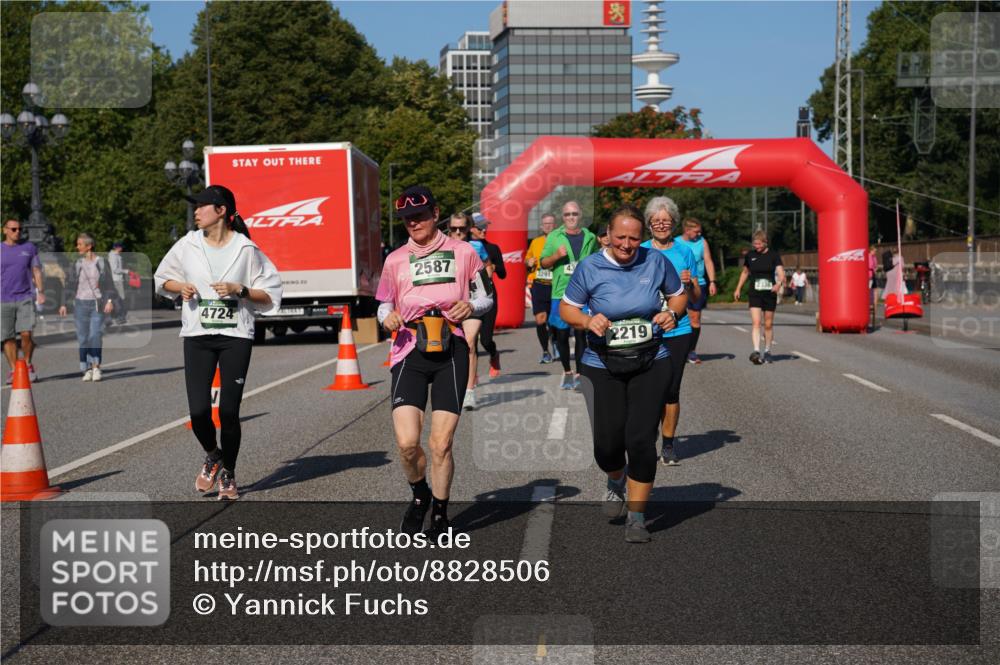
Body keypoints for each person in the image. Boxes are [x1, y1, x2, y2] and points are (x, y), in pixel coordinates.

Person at [560, 204, 687, 543]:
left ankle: (637, 516)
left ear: (642, 237)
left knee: (640, 439)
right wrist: (587, 320)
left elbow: (678, 296)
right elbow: (567, 307)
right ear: (608, 235)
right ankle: (616, 478)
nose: (627, 245)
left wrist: (671, 315)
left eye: (634, 238)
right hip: (601, 364)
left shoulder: (655, 261)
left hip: (652, 360)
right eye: (620, 237)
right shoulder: (591, 267)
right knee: (607, 445)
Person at [378, 186, 492, 540]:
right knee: (407, 443)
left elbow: (486, 296)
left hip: (450, 350)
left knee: (440, 443)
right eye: (407, 219)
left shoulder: (464, 252)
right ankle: (420, 494)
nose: (414, 223)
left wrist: (471, 307)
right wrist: (388, 317)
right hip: (409, 349)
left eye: (421, 215)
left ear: (435, 213)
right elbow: (383, 303)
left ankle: (440, 514)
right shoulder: (395, 259)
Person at [155, 185, 283, 500]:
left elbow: (270, 294)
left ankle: (229, 472)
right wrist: (180, 286)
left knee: (228, 411)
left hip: (235, 336)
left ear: (221, 210)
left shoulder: (246, 249)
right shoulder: (188, 244)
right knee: (199, 412)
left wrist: (241, 290)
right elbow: (162, 279)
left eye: (201, 206)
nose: (195, 212)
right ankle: (213, 454)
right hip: (198, 336)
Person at [640, 197, 700, 466]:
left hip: (679, 328)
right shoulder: (639, 250)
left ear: (673, 223)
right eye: (656, 220)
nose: (661, 224)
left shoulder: (684, 251)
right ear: (649, 224)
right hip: (646, 329)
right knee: (646, 388)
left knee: (671, 390)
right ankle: (646, 434)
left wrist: (689, 284)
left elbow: (696, 297)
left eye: (666, 220)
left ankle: (668, 444)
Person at [540, 200, 598, 390]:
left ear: (580, 215)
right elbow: (543, 263)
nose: (571, 217)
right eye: (567, 214)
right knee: (562, 335)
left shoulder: (590, 237)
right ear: (562, 217)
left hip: (584, 293)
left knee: (582, 335)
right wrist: (556, 256)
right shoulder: (554, 237)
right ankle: (567, 371)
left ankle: (580, 374)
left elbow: (597, 261)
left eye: (574, 214)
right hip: (560, 293)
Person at [58, 233, 116, 381]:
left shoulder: (102, 263)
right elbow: (70, 285)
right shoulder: (77, 264)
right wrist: (64, 303)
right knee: (83, 338)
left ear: (89, 246)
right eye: (77, 244)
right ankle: (88, 368)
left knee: (95, 335)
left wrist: (109, 300)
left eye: (80, 244)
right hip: (80, 304)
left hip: (97, 303)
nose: (77, 247)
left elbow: (109, 283)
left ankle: (96, 367)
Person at [445, 213, 486, 410]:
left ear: (468, 228)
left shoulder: (476, 247)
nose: (458, 232)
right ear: (448, 228)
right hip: (448, 305)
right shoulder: (440, 248)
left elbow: (487, 270)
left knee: (469, 342)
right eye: (454, 229)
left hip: (471, 302)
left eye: (462, 228)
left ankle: (469, 392)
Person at [1, 219, 45, 383]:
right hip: (3, 299)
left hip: (25, 297)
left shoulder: (29, 248)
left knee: (26, 333)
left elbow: (36, 270)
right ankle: (13, 370)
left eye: (19, 229)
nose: (17, 232)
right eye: (13, 229)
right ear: (5, 230)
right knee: (8, 337)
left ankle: (27, 364)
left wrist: (40, 292)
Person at [734, 230, 785, 365]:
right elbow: (745, 272)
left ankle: (767, 351)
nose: (756, 246)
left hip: (770, 293)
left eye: (758, 244)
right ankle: (756, 351)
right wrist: (738, 288)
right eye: (754, 244)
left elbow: (781, 272)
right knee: (756, 323)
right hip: (755, 292)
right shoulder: (750, 255)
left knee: (768, 324)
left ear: (765, 242)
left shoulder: (774, 255)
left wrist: (779, 283)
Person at [673, 218, 717, 364]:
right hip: (677, 284)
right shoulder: (675, 242)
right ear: (687, 230)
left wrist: (712, 281)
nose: (699, 234)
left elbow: (708, 261)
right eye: (696, 231)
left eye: (700, 231)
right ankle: (676, 349)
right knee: (676, 316)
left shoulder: (702, 242)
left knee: (695, 319)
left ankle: (691, 350)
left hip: (699, 284)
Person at [469, 213, 505, 387]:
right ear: (470, 228)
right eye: (479, 227)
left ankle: (494, 354)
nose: (484, 230)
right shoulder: (464, 248)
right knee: (471, 340)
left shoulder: (493, 248)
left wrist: (491, 266)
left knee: (485, 340)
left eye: (485, 226)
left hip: (489, 297)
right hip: (470, 297)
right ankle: (472, 376)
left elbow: (504, 274)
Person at [524, 212, 557, 363]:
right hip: (539, 285)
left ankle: (556, 342)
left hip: (556, 284)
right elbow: (527, 260)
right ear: (541, 226)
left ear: (555, 225)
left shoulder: (561, 240)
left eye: (551, 223)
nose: (548, 226)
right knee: (540, 320)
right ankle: (545, 351)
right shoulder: (536, 242)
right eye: (546, 224)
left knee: (554, 320)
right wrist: (528, 262)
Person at [107, 241, 129, 324]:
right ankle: (120, 316)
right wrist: (126, 271)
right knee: (120, 299)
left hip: (118, 279)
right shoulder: (113, 256)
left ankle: (115, 316)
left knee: (115, 299)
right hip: (116, 280)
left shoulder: (116, 255)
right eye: (121, 247)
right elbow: (115, 269)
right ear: (117, 247)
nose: (122, 248)